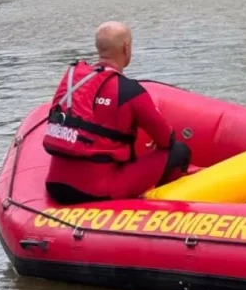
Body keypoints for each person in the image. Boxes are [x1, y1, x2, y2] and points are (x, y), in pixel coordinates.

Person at [43, 21, 191, 204]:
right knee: (179, 151)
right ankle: (162, 207)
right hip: (95, 191)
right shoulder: (129, 91)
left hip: (56, 186)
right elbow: (166, 140)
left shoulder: (74, 84)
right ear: (126, 47)